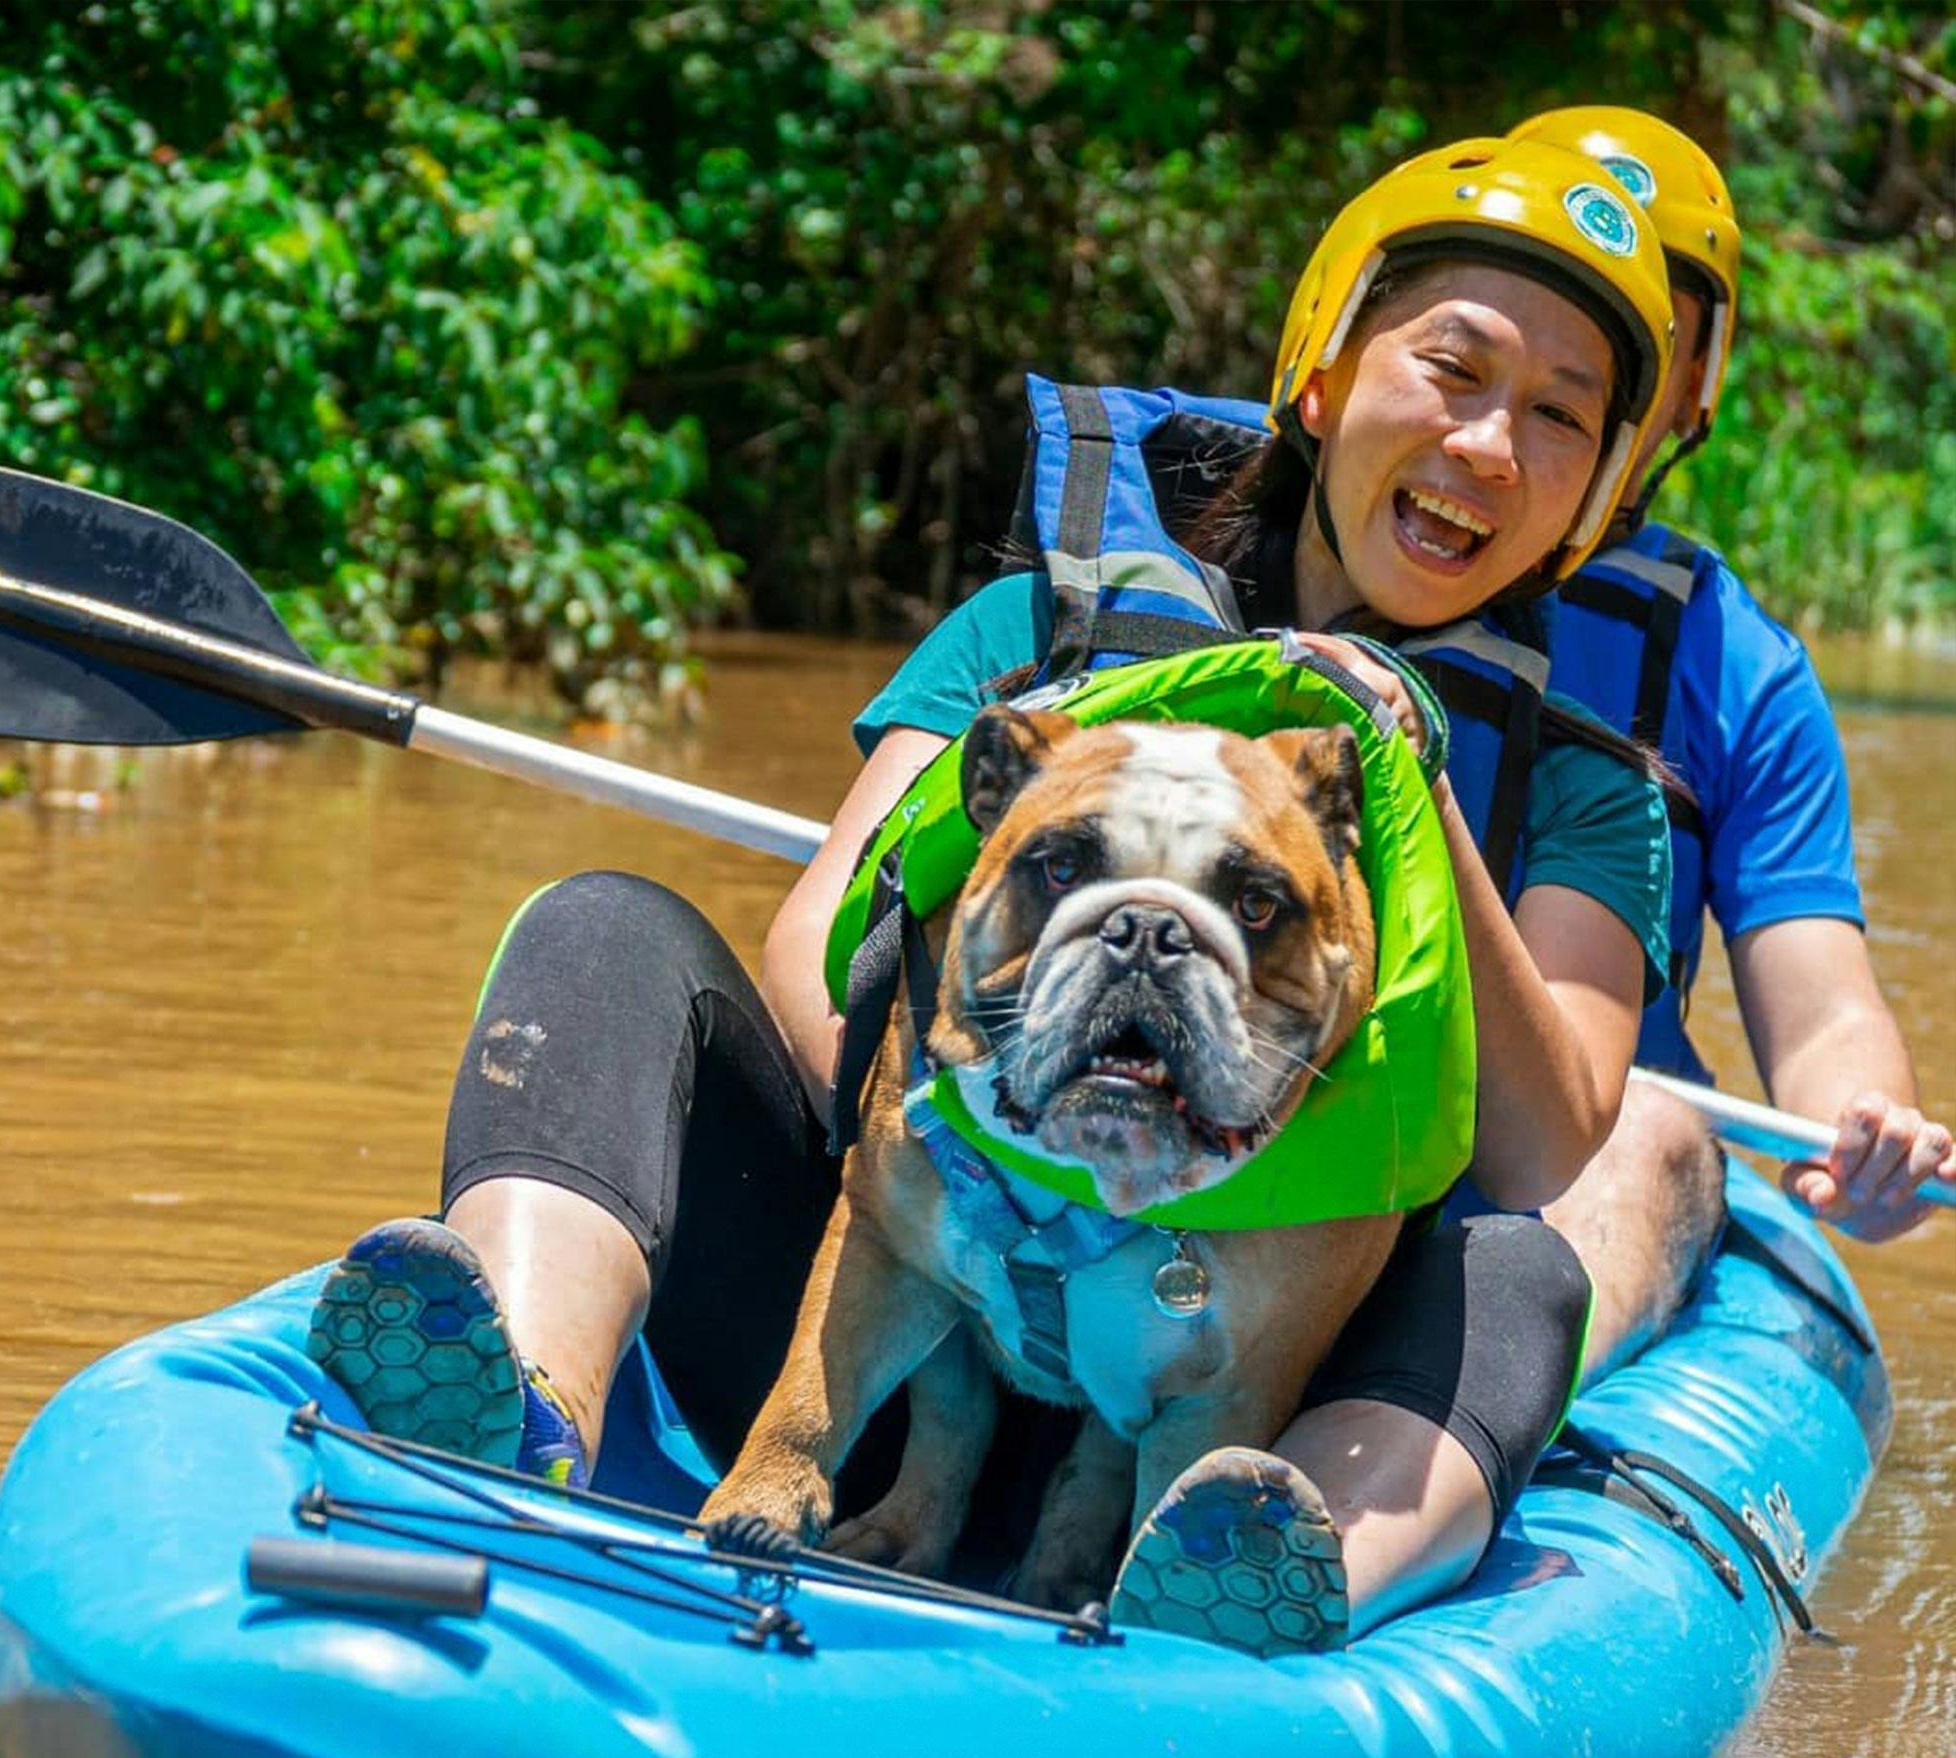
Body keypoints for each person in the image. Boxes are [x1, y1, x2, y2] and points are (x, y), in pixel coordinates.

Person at [308, 135, 1677, 1654]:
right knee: (605, 931)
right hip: (901, 1301)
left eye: (1559, 419)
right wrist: (998, 1190)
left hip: (1252, 1374)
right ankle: (522, 1404)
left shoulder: (1583, 786)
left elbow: (1548, 1143)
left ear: (1596, 494)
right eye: (1454, 369)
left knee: (1519, 1272)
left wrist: (1405, 777)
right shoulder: (1035, 631)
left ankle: (1264, 1583)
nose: (1491, 445)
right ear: (1324, 375)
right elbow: (815, 963)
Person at [1505, 106, 1953, 1382]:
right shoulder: (1321, 548)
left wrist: (1864, 1141)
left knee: (1643, 1126)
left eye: (1644, 323)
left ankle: (1480, 1398)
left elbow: (1819, 1015)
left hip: (1602, 1140)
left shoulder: (1738, 667)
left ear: (1687, 384)